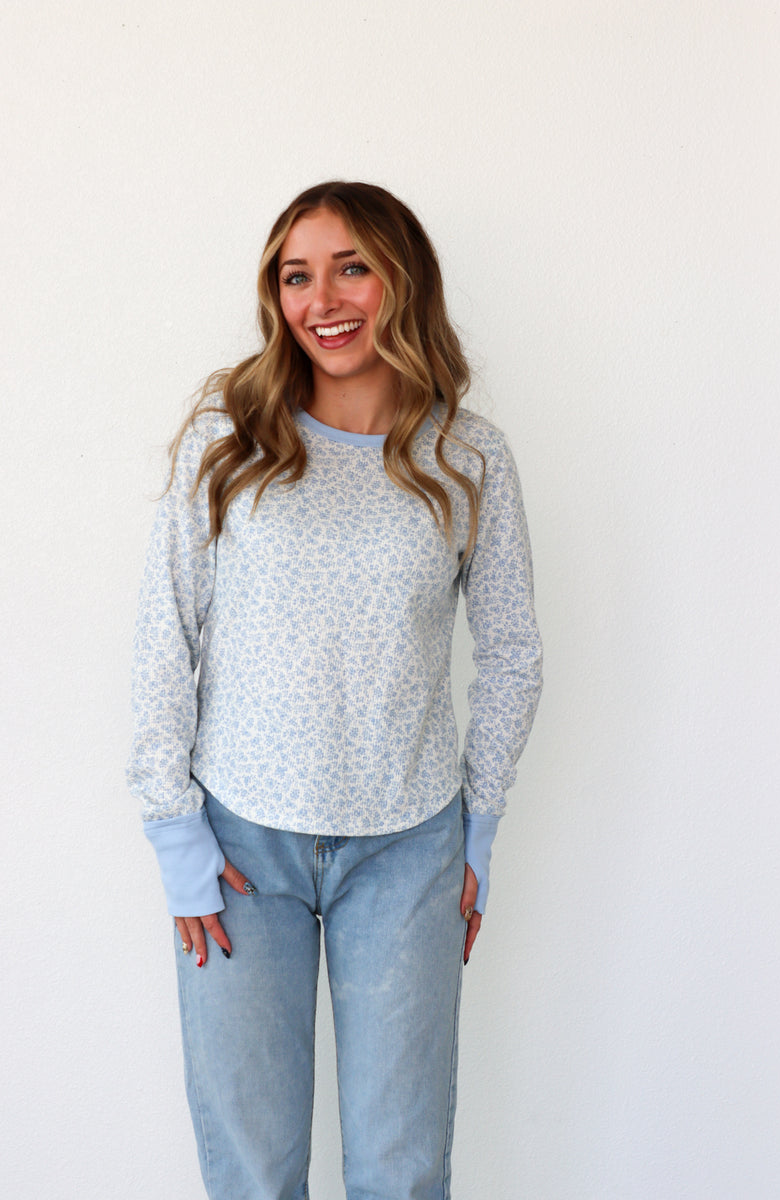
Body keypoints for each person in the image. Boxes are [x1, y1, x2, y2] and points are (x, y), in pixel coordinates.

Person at [127, 180, 543, 1200]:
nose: (322, 299)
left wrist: (479, 829)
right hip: (237, 850)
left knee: (402, 1171)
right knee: (252, 1172)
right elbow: (163, 635)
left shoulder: (468, 455)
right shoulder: (228, 437)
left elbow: (511, 652)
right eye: (296, 275)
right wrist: (175, 832)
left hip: (408, 852)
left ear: (402, 278)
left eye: (351, 267)